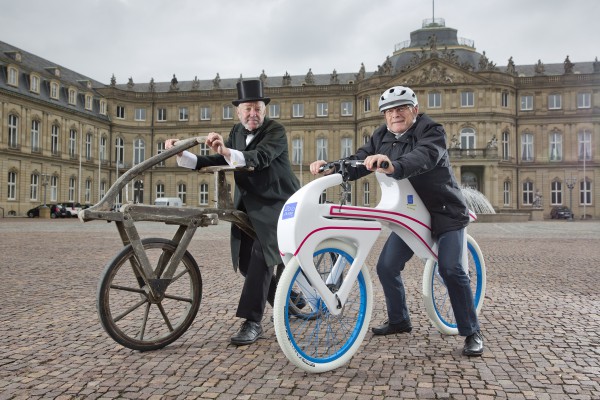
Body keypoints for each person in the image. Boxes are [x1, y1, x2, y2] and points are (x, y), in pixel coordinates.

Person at [309, 85, 484, 357]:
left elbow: (424, 156)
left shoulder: (432, 130)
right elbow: (359, 159)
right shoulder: (380, 135)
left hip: (445, 212)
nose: (395, 114)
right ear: (384, 116)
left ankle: (472, 331)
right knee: (386, 267)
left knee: (451, 269)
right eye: (389, 111)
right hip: (411, 213)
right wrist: (332, 166)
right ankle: (400, 320)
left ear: (414, 110)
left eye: (401, 108)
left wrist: (392, 165)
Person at [165, 79, 300, 346]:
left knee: (262, 256)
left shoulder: (276, 130)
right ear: (238, 111)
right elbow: (221, 159)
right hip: (249, 205)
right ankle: (290, 299)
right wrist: (182, 154)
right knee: (245, 262)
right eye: (247, 109)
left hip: (278, 203)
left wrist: (227, 150)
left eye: (257, 109)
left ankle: (252, 322)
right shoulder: (237, 131)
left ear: (264, 110)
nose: (253, 114)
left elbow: (259, 157)